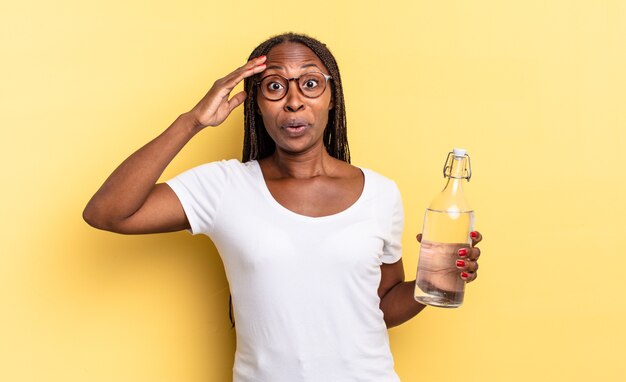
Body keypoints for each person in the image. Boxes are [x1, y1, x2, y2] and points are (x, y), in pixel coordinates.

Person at [83, 32, 482, 382]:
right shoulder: (225, 187)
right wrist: (193, 121)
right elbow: (107, 213)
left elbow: (382, 304)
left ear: (331, 97)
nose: (294, 101)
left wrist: (436, 281)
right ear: (255, 102)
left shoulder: (380, 193)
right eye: (274, 86)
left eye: (310, 83)